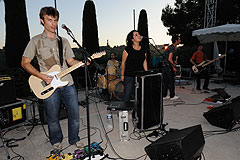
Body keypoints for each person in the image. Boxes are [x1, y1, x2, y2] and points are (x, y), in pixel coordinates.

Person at [21, 6, 86, 150]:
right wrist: (41, 75)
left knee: (74, 114)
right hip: (48, 84)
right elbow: (24, 63)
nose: (53, 24)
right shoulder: (35, 41)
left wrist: (81, 63)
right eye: (49, 20)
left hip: (67, 82)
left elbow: (70, 61)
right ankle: (56, 140)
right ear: (42, 21)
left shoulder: (64, 41)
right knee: (52, 117)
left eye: (55, 20)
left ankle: (74, 138)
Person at [121, 30, 148, 102]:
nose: (139, 35)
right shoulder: (127, 50)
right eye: (136, 35)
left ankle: (139, 110)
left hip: (140, 75)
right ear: (132, 39)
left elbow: (144, 61)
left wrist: (147, 73)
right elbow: (123, 63)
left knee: (141, 94)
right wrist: (122, 75)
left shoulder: (143, 49)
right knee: (128, 93)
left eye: (139, 34)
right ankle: (124, 111)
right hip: (129, 75)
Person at [162, 35, 181, 100]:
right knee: (171, 81)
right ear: (176, 41)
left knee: (166, 82)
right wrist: (173, 67)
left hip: (164, 67)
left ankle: (164, 95)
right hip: (167, 67)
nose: (180, 41)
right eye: (179, 39)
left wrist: (174, 63)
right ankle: (172, 96)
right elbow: (170, 59)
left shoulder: (170, 47)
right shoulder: (172, 47)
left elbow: (168, 58)